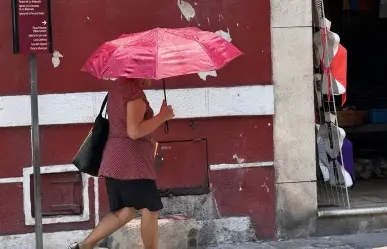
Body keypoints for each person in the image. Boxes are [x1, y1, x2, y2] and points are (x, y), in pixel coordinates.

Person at [69, 78, 175, 249]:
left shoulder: (117, 87)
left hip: (114, 161)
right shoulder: (133, 93)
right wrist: (163, 116)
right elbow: (134, 131)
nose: (152, 77)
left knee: (124, 212)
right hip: (132, 165)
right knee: (150, 208)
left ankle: (84, 246)